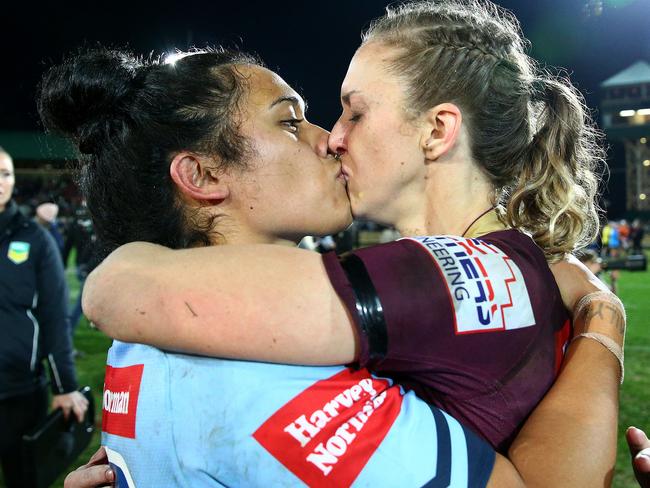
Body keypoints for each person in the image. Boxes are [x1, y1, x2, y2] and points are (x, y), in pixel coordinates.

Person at [40, 45, 622, 487]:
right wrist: (601, 324)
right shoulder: (265, 384)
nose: (330, 140)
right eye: (290, 121)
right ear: (204, 175)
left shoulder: (156, 339)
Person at [0, 147, 88, 487]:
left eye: (6, 173)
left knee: (24, 478)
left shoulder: (34, 238)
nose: (1, 181)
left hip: (19, 392)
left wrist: (65, 386)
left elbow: (53, 317)